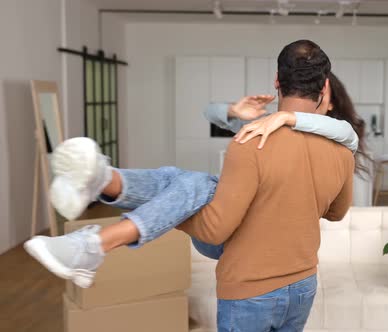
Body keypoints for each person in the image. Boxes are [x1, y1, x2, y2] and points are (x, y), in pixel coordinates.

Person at [26, 39, 356, 331]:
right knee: (192, 183)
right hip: (302, 284)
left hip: (251, 289)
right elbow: (338, 213)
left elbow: (214, 232)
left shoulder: (251, 141)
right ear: (325, 88)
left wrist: (171, 211)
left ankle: (103, 194)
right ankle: (103, 188)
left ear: (276, 82)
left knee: (192, 185)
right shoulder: (342, 152)